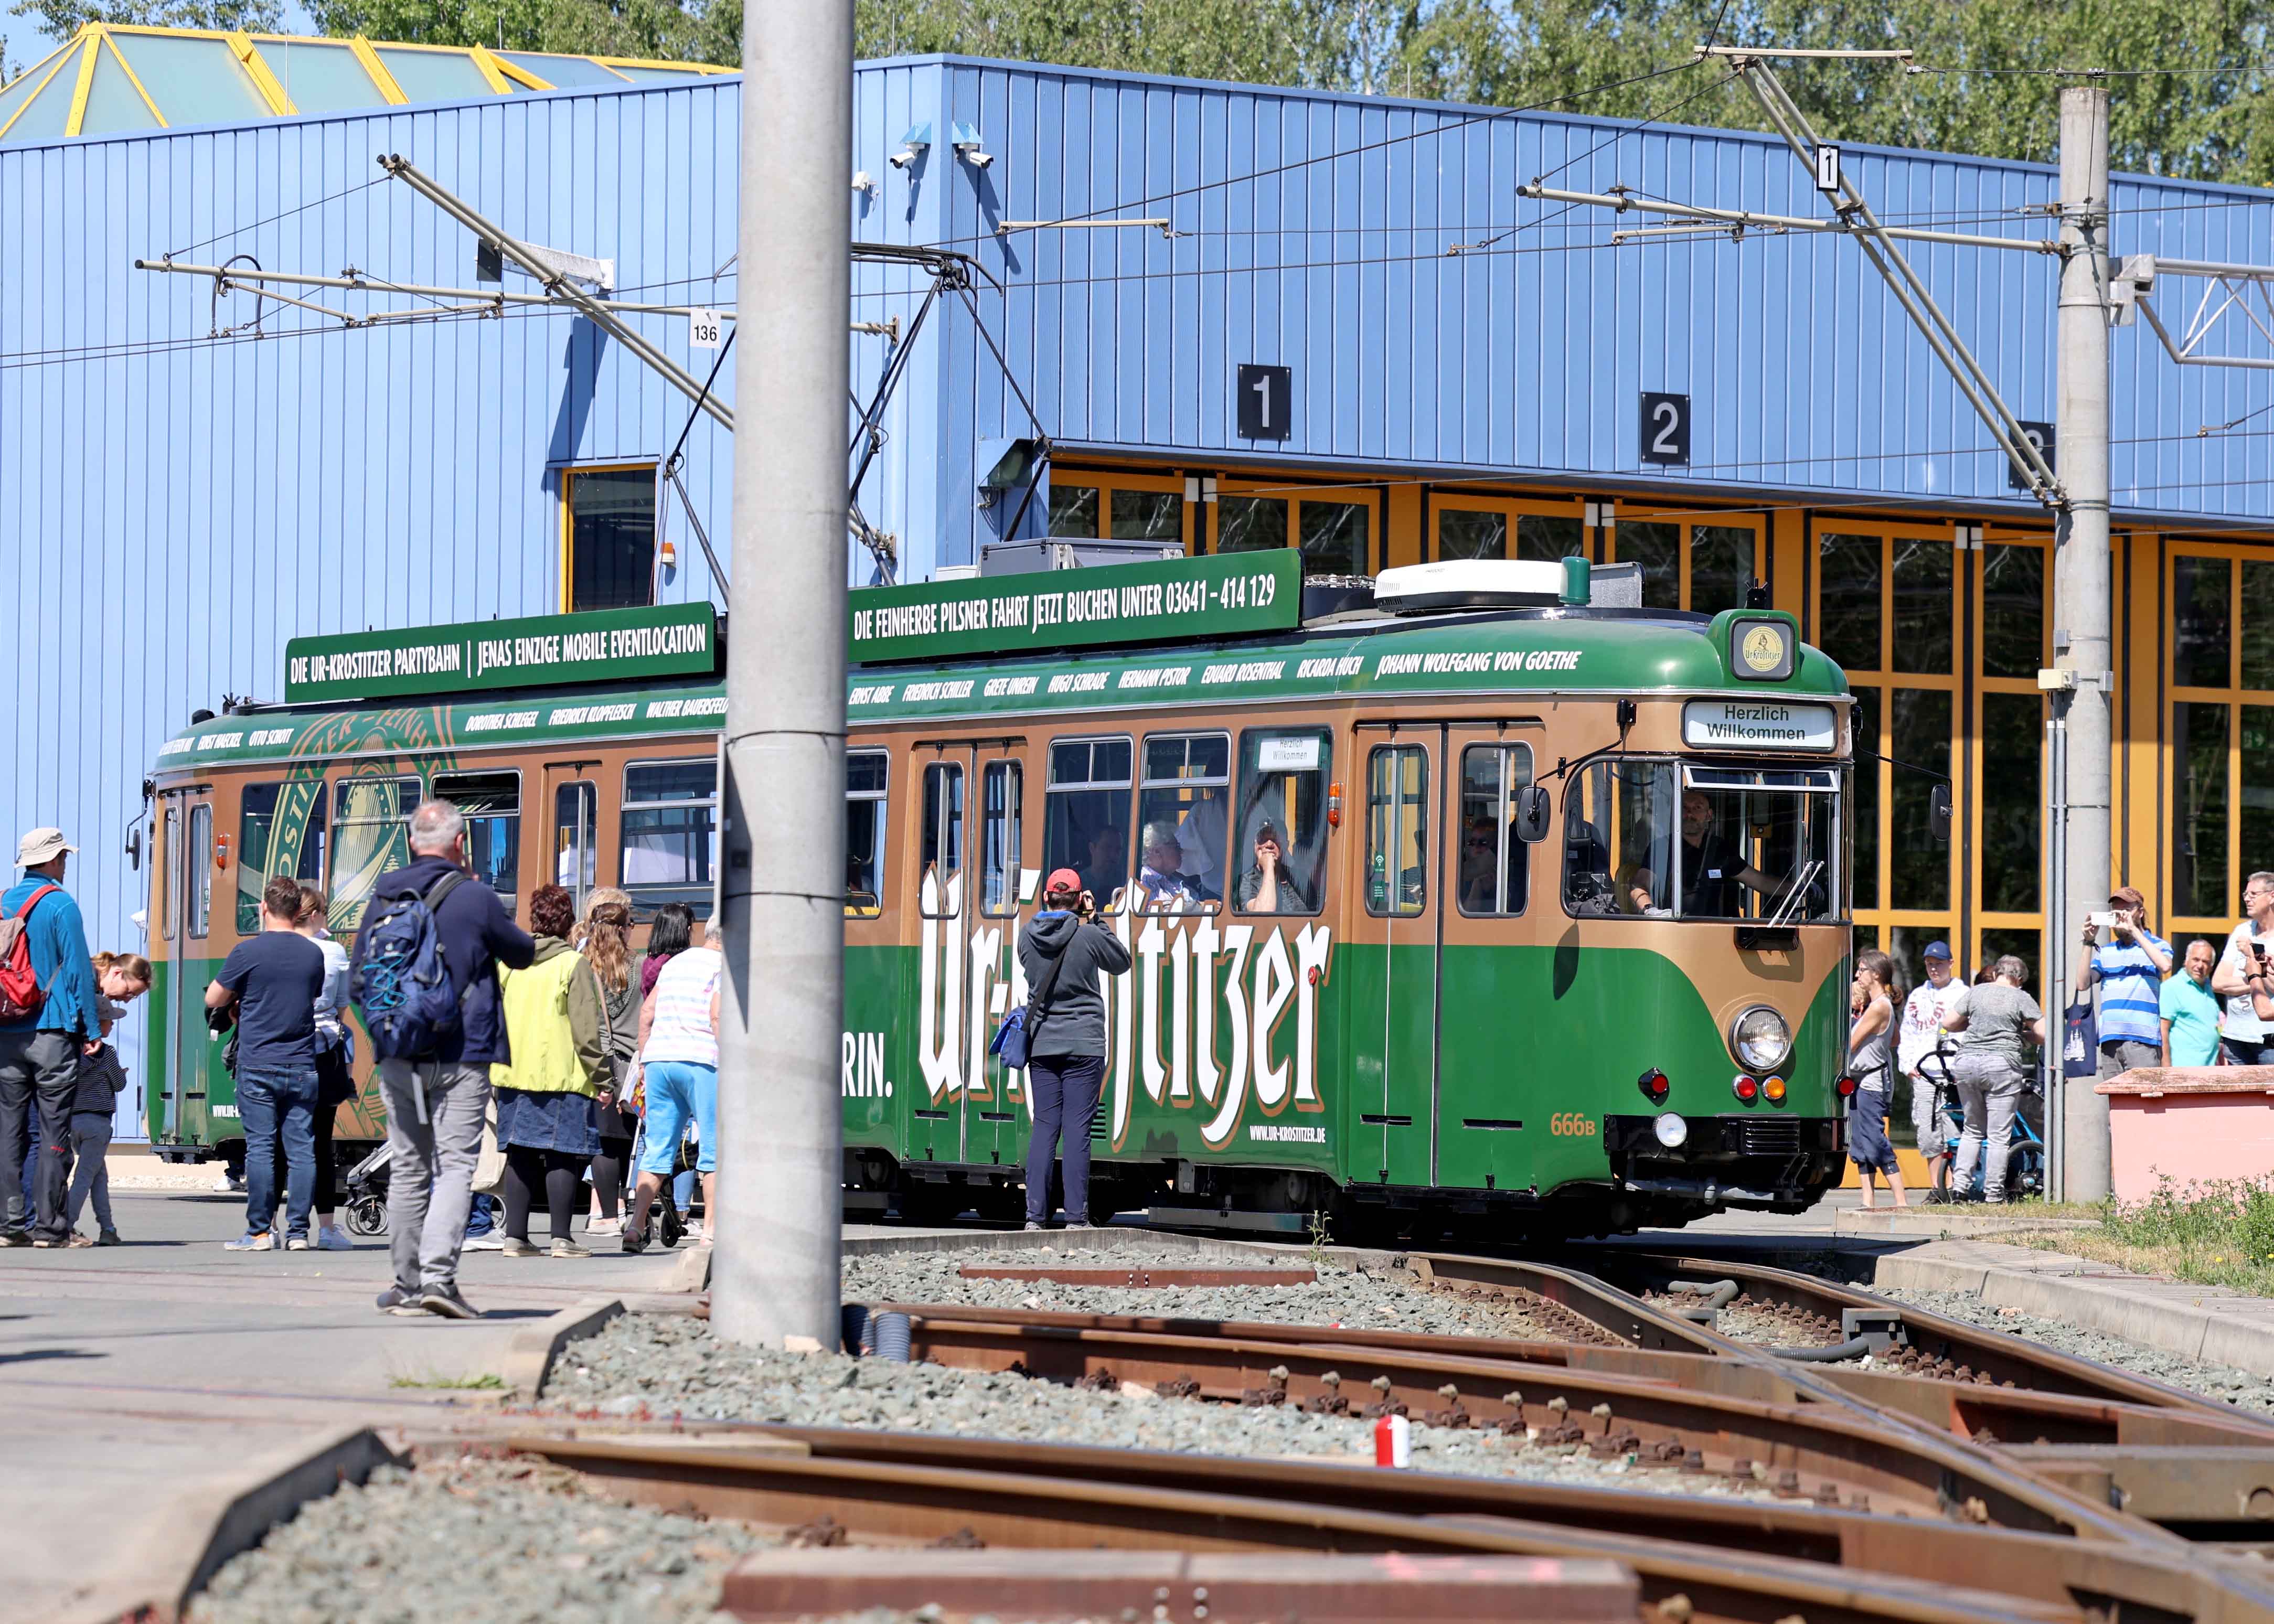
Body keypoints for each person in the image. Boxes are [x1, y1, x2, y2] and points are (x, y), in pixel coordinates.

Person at [364, 799, 536, 1318]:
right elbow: (523, 954)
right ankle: (439, 1280)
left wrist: (394, 1030)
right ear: (459, 843)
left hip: (400, 1054)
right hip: (463, 1054)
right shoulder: (476, 897)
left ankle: (405, 1286)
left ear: (413, 841)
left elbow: (359, 979)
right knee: (456, 1164)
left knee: (411, 1166)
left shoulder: (384, 896)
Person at [206, 877, 326, 1252]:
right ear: (297, 911)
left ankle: (259, 1232)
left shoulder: (248, 952)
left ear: (264, 908)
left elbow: (214, 998)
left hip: (258, 1063)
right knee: (302, 1149)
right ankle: (299, 1234)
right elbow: (314, 994)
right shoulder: (314, 954)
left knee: (260, 1148)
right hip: (303, 1064)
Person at [490, 884, 610, 1259]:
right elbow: (586, 1031)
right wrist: (603, 1078)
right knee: (564, 1154)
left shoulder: (509, 964)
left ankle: (516, 1238)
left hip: (513, 1073)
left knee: (520, 1154)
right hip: (563, 1077)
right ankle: (561, 1238)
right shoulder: (572, 965)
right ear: (567, 922)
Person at [1016, 869, 1134, 1229]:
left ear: (1047, 898)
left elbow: (1030, 971)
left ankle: (1035, 1217)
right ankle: (1076, 1217)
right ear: (1080, 898)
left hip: (1043, 1045)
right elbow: (1121, 961)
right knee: (1077, 1131)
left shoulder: (1026, 938)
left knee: (1044, 1128)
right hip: (1084, 1045)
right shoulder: (1087, 936)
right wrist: (1096, 920)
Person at [0, 828, 99, 1248]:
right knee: (53, 1130)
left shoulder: (5, 901)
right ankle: (51, 1228)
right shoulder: (61, 904)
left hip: (7, 1031)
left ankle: (8, 1225)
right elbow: (77, 971)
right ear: (55, 860)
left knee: (9, 1130)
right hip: (52, 1030)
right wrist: (92, 1030)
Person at [625, 916, 724, 1253]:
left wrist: (644, 1059)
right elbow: (718, 1014)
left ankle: (637, 1225)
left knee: (657, 1148)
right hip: (701, 1061)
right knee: (713, 1149)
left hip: (660, 1060)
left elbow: (647, 1013)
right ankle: (710, 1231)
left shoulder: (675, 963)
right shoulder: (726, 966)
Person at [1944, 955, 2046, 1204]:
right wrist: (2021, 1033)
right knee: (1999, 1135)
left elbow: (1948, 1023)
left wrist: (1974, 1026)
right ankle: (1993, 1194)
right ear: (2019, 979)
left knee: (1972, 1130)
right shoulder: (2021, 997)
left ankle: (1959, 1189)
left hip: (1967, 1064)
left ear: (1999, 972)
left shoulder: (1976, 992)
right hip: (2002, 1065)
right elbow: (2044, 1034)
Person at [65, 952, 151, 1246]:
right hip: (98, 1123)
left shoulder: (74, 1053)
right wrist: (111, 1065)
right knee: (85, 1177)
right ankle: (65, 1224)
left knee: (99, 1176)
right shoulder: (107, 1053)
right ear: (98, 1022)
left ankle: (108, 1229)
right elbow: (120, 1084)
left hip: (73, 1119)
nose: (113, 1025)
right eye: (109, 1021)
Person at [294, 883, 356, 1251]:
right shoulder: (333, 952)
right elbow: (342, 1008)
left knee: (278, 1144)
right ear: (315, 914)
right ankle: (327, 1229)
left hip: (283, 1052)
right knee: (320, 1144)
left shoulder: (272, 948)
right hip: (323, 1052)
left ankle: (267, 1226)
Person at [575, 888, 639, 1237]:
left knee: (602, 1139)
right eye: (630, 923)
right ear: (622, 929)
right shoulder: (638, 965)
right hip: (629, 1063)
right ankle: (616, 1208)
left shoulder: (584, 965)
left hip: (594, 1061)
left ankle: (605, 1216)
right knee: (624, 1138)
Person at [2072, 885, 2173, 1083]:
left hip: (2142, 1040)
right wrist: (2088, 942)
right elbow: (2082, 984)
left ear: (2140, 913)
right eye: (2115, 912)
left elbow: (2165, 965)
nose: (2119, 917)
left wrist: (2134, 931)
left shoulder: (2157, 945)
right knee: (2118, 1107)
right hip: (2110, 1040)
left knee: (2145, 1101)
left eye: (2125, 911)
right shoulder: (2106, 952)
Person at [1897, 941, 1962, 1193]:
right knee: (1928, 1133)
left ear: (1950, 964)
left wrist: (1961, 1068)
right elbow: (1908, 1033)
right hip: (1924, 1075)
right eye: (1930, 965)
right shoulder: (1918, 995)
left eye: (1939, 965)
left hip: (1952, 1075)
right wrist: (1907, 1066)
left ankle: (1956, 1187)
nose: (1934, 970)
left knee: (1954, 1132)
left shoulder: (1961, 993)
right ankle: (1937, 1188)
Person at [1846, 949, 1907, 1210]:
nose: (1858, 975)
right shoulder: (1880, 1006)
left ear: (1876, 974)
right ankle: (1867, 1202)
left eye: (1862, 970)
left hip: (1872, 1083)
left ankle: (1902, 1202)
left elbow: (1850, 1044)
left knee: (1874, 1139)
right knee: (1860, 1142)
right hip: (1861, 1080)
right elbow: (1895, 1040)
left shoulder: (1879, 1007)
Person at [1675, 790, 1775, 917]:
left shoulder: (1719, 849)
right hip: (1673, 929)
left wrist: (1800, 888)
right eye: (1684, 807)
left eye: (1697, 808)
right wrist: (1650, 909)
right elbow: (1642, 883)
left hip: (1713, 929)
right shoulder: (1665, 847)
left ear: (1709, 815)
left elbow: (1761, 882)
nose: (1689, 814)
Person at [2211, 871, 2274, 1065]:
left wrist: (2253, 955)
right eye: (2245, 895)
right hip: (2235, 1038)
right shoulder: (2242, 931)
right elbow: (2218, 983)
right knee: (2237, 1096)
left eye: (2253, 894)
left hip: (2267, 1039)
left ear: (2272, 896)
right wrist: (2256, 978)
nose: (2247, 899)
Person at [2161, 938, 2223, 1069]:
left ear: (2211, 967)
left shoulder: (2209, 988)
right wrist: (2166, 1071)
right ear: (2186, 961)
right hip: (2182, 1071)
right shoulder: (2172, 987)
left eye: (2205, 962)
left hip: (2209, 1070)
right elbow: (2163, 1031)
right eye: (2196, 959)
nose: (2200, 966)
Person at [1236, 821, 1311, 914]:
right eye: (1263, 839)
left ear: (1286, 845)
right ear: (1256, 846)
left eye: (1275, 839)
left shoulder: (1299, 878)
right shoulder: (1247, 880)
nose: (1269, 844)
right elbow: (1262, 914)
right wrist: (1269, 866)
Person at [1130, 821, 1201, 913]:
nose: (1182, 851)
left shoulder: (1181, 884)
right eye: (1177, 847)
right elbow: (1154, 917)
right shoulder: (1141, 882)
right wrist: (1198, 908)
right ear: (1157, 851)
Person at [1175, 789, 1228, 901]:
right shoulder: (1255, 806)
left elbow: (1181, 850)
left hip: (1213, 890)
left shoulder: (1201, 810)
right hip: (1252, 888)